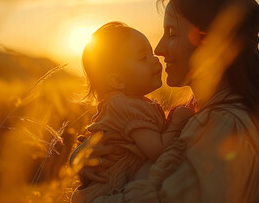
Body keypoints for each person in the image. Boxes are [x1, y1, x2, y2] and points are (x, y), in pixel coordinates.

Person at [71, 0, 259, 202]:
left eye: (171, 33)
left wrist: (85, 198)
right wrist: (86, 157)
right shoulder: (202, 115)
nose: (158, 49)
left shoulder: (221, 125)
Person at [71, 22, 194, 203]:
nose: (155, 59)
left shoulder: (129, 104)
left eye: (150, 52)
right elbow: (158, 151)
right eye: (142, 57)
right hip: (109, 193)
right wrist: (176, 123)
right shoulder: (125, 106)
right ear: (117, 80)